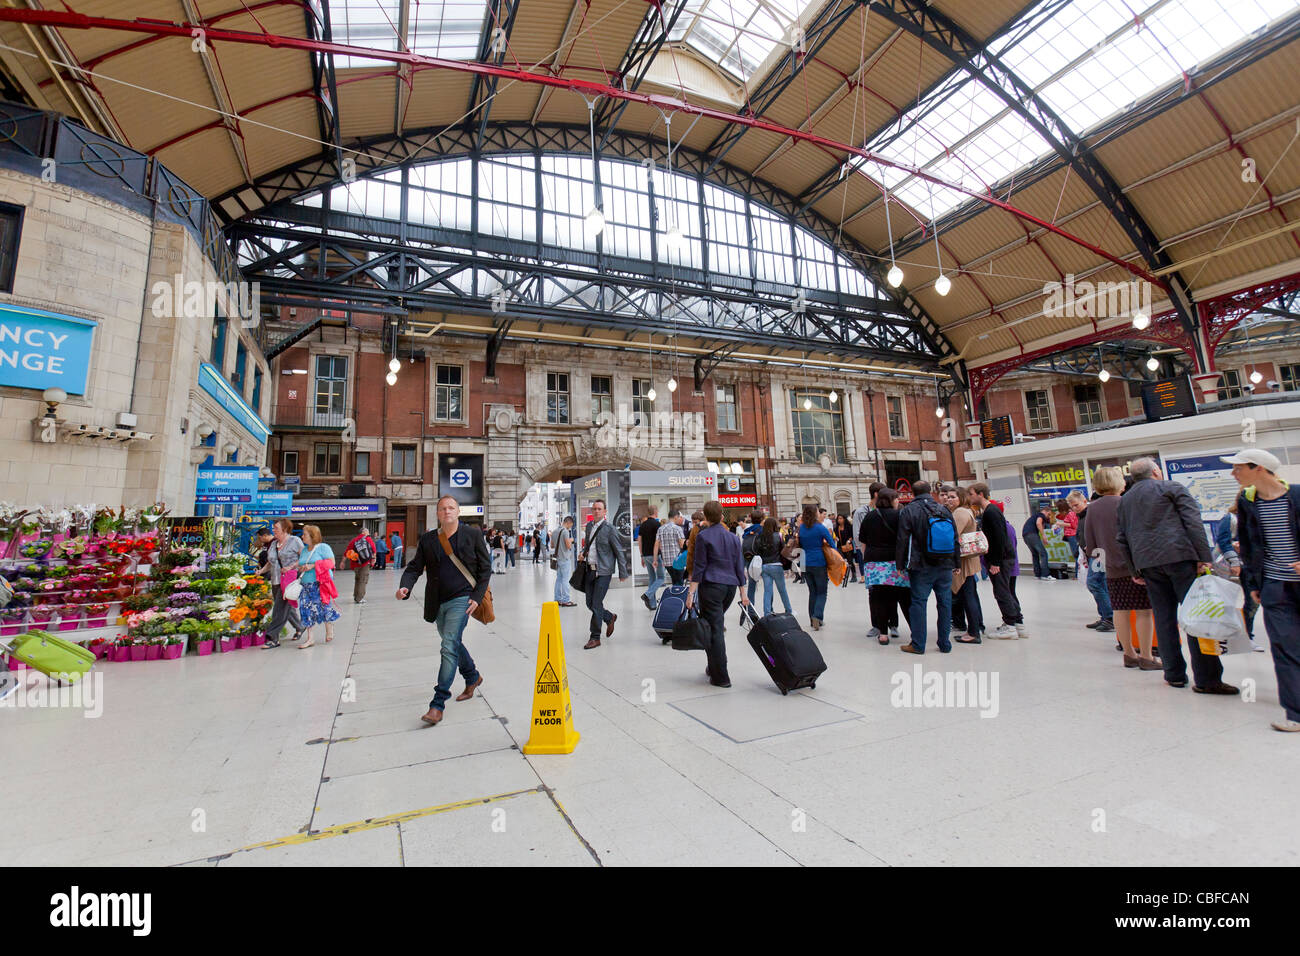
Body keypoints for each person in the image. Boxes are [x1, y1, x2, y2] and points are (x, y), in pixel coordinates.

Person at [1116, 456, 1235, 694]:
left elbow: (1122, 537)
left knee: (1163, 617)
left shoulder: (1125, 500)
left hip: (1148, 564)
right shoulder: (1171, 488)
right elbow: (1193, 523)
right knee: (1197, 615)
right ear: (1156, 472)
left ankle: (1174, 674)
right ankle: (1207, 678)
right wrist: (1204, 557)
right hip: (1181, 558)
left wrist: (1134, 569)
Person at [1224, 448, 1300, 731]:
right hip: (1275, 586)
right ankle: (1296, 714)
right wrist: (1254, 583)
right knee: (1284, 648)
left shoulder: (1297, 495)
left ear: (1259, 468)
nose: (1234, 474)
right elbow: (1249, 543)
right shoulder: (1248, 501)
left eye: (1238, 468)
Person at [397, 496, 489, 725]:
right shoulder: (429, 539)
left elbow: (486, 569)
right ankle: (472, 676)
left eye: (451, 508)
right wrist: (405, 586)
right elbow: (415, 567)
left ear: (458, 512)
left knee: (448, 646)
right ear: (437, 514)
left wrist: (477, 597)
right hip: (438, 602)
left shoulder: (473, 535)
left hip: (463, 599)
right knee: (453, 643)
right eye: (442, 509)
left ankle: (437, 704)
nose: (447, 511)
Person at [1083, 466, 1158, 669]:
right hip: (1135, 567)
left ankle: (1129, 654)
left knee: (1120, 610)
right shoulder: (1127, 503)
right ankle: (1146, 656)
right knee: (1143, 611)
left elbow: (1090, 544)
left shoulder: (1092, 508)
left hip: (1110, 568)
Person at [687, 499, 751, 688]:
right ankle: (713, 666)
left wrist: (690, 593)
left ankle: (721, 676)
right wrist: (743, 593)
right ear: (722, 516)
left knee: (715, 629)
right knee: (714, 624)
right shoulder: (733, 537)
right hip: (730, 588)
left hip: (712, 586)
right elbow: (739, 566)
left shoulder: (703, 537)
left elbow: (699, 567)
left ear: (705, 517)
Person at [896, 480, 958, 654]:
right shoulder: (943, 509)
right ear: (930, 492)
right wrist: (956, 562)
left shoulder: (909, 510)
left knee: (918, 603)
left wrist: (900, 564)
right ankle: (944, 643)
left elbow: (902, 539)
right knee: (945, 603)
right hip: (945, 563)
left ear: (913, 493)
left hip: (921, 565)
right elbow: (954, 537)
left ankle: (918, 644)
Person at [968, 484, 1026, 638]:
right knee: (1007, 591)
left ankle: (1010, 625)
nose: (970, 497)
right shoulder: (992, 511)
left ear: (980, 494)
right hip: (1004, 558)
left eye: (972, 494)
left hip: (1000, 559)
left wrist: (995, 562)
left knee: (1002, 591)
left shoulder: (990, 512)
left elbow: (999, 538)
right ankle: (1018, 623)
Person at [860, 487, 909, 645]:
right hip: (895, 561)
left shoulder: (869, 516)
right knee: (903, 597)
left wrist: (866, 560)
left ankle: (882, 634)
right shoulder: (899, 515)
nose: (898, 501)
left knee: (879, 598)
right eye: (896, 498)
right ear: (890, 500)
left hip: (874, 563)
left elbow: (863, 541)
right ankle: (913, 629)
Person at [581, 499, 630, 649]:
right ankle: (609, 617)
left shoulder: (610, 529)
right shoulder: (589, 526)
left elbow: (618, 551)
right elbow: (589, 546)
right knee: (589, 603)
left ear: (604, 511)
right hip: (590, 569)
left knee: (596, 603)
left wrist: (623, 572)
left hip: (604, 571)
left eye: (599, 509)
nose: (596, 511)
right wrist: (583, 554)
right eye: (594, 508)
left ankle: (595, 637)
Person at [1216, 503, 1263, 651]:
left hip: (1250, 564)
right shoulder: (1231, 518)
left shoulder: (1258, 518)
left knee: (1252, 602)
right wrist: (1234, 559)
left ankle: (1247, 636)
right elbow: (1223, 541)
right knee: (1225, 601)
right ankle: (1223, 638)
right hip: (1228, 566)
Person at [943, 485, 984, 644]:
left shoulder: (960, 513)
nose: (949, 499)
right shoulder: (966, 511)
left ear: (961, 498)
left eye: (953, 497)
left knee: (968, 597)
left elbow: (952, 536)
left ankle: (973, 632)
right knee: (970, 595)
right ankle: (974, 629)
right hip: (968, 560)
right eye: (948, 496)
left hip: (964, 562)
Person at [1068, 489, 1114, 632]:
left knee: (1093, 582)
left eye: (1076, 505)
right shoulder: (1082, 517)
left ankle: (1109, 617)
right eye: (1072, 507)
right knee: (1101, 584)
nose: (1074, 509)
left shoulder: (1091, 513)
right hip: (1092, 554)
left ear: (1084, 501)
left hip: (1098, 554)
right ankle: (1105, 616)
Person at [261, 517, 305, 649]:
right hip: (275, 579)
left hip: (289, 580)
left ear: (285, 529)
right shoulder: (274, 544)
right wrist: (261, 571)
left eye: (276, 528)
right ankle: (300, 626)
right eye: (273, 528)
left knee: (279, 608)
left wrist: (291, 566)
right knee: (286, 607)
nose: (273, 530)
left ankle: (273, 637)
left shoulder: (295, 541)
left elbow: (304, 557)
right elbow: (271, 562)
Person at [296, 524, 340, 649]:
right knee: (305, 609)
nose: (302, 536)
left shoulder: (323, 548)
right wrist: (302, 567)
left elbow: (332, 563)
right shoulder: (304, 550)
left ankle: (329, 625)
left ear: (312, 536)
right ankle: (310, 638)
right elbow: (301, 564)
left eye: (304, 534)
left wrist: (313, 565)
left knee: (323, 606)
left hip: (320, 583)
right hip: (305, 584)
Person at [798, 503, 837, 631]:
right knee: (822, 592)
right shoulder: (820, 527)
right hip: (819, 562)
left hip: (805, 563)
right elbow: (832, 543)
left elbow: (801, 544)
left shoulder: (802, 528)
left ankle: (812, 619)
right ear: (815, 513)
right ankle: (817, 616)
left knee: (812, 592)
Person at [755, 516, 793, 616]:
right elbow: (783, 550)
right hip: (776, 565)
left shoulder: (760, 537)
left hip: (764, 566)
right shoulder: (779, 535)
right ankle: (788, 610)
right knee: (782, 590)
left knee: (767, 591)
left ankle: (767, 612)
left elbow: (757, 551)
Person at [638, 506, 663, 610]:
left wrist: (642, 556)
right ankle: (647, 594)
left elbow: (640, 541)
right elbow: (659, 541)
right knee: (661, 578)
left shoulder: (642, 525)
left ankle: (652, 605)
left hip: (646, 555)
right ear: (656, 512)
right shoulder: (657, 524)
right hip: (655, 555)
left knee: (652, 578)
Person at [654, 509, 687, 587]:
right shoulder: (678, 529)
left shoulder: (660, 529)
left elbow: (656, 545)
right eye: (679, 517)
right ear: (675, 517)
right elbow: (682, 544)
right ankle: (678, 598)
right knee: (679, 582)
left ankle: (674, 597)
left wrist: (655, 559)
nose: (679, 519)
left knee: (674, 581)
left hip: (667, 562)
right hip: (678, 561)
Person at [1022, 500, 1053, 580]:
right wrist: (1043, 536)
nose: (1048, 516)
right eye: (1048, 514)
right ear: (1045, 511)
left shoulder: (1034, 516)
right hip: (1032, 535)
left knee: (1035, 554)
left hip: (1026, 536)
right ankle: (1045, 574)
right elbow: (1038, 523)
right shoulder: (1041, 515)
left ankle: (1037, 574)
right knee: (1043, 554)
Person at [346, 525, 376, 604]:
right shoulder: (368, 539)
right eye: (367, 531)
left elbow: (347, 552)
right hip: (365, 564)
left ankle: (356, 596)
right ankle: (360, 598)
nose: (368, 533)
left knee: (357, 580)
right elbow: (374, 550)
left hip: (355, 564)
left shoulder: (354, 540)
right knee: (363, 580)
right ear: (364, 532)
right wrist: (373, 560)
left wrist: (342, 562)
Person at [551, 516, 577, 607]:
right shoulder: (565, 531)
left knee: (559, 579)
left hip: (558, 559)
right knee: (565, 580)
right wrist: (571, 540)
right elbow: (568, 546)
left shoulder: (554, 532)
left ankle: (557, 599)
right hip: (565, 559)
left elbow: (552, 545)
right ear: (568, 522)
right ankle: (566, 600)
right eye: (571, 525)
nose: (570, 527)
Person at [740, 509, 765, 607]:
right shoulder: (761, 530)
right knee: (761, 585)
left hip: (746, 556)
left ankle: (746, 605)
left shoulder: (748, 530)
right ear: (762, 519)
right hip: (757, 558)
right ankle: (751, 609)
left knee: (749, 584)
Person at [834, 514, 859, 585]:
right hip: (840, 547)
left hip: (848, 546)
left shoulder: (849, 527)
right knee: (840, 561)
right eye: (838, 519)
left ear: (844, 519)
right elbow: (835, 536)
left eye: (841, 518)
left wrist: (848, 541)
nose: (839, 520)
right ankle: (842, 575)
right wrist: (835, 538)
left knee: (850, 561)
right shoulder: (836, 528)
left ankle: (854, 575)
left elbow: (852, 536)